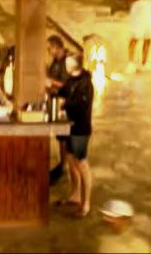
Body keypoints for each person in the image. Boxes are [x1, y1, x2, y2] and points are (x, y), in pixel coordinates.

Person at [60, 55, 94, 218]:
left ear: (76, 65)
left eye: (68, 62)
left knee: (82, 164)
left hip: (80, 127)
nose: (65, 65)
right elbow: (63, 90)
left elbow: (81, 104)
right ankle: (75, 195)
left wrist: (64, 104)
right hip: (69, 126)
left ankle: (86, 203)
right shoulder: (71, 80)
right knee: (71, 161)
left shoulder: (85, 83)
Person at [46, 35, 70, 185]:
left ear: (57, 47)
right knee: (60, 136)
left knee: (64, 135)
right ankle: (61, 164)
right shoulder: (56, 61)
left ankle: (64, 166)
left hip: (63, 102)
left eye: (50, 48)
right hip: (55, 100)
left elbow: (67, 85)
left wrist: (50, 82)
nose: (49, 51)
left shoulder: (66, 62)